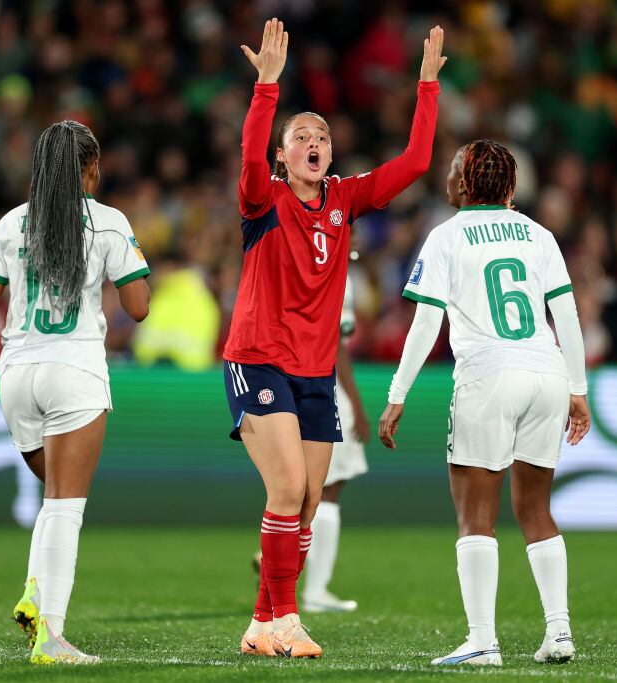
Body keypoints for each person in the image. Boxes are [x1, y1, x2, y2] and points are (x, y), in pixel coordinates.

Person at [227, 18, 445, 659]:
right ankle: (288, 618)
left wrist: (426, 86)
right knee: (287, 489)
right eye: (301, 136)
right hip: (259, 359)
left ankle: (262, 623)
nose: (314, 142)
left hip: (315, 369)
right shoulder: (263, 199)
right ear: (283, 155)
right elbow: (248, 157)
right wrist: (267, 88)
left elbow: (416, 163)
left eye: (321, 135)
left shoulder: (345, 199)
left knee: (309, 503)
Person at [378, 140, 591, 667]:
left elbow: (426, 322)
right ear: (510, 187)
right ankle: (559, 633)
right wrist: (578, 389)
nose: (448, 179)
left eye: (455, 170)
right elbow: (566, 316)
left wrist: (397, 393)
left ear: (467, 183)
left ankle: (481, 641)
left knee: (475, 515)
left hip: (488, 374)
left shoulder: (446, 235)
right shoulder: (540, 235)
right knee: (536, 509)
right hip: (547, 372)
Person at [0, 120, 150, 665]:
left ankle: (35, 594)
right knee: (67, 504)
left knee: (54, 495)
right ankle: (52, 635)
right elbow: (138, 308)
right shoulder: (107, 222)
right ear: (90, 169)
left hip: (15, 377)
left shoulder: (11, 223)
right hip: (75, 372)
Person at [302, 275, 369, 613]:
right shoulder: (337, 270)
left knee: (303, 489)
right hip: (323, 384)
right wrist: (356, 402)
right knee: (327, 489)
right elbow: (335, 344)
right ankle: (316, 590)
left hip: (292, 381)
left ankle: (276, 562)